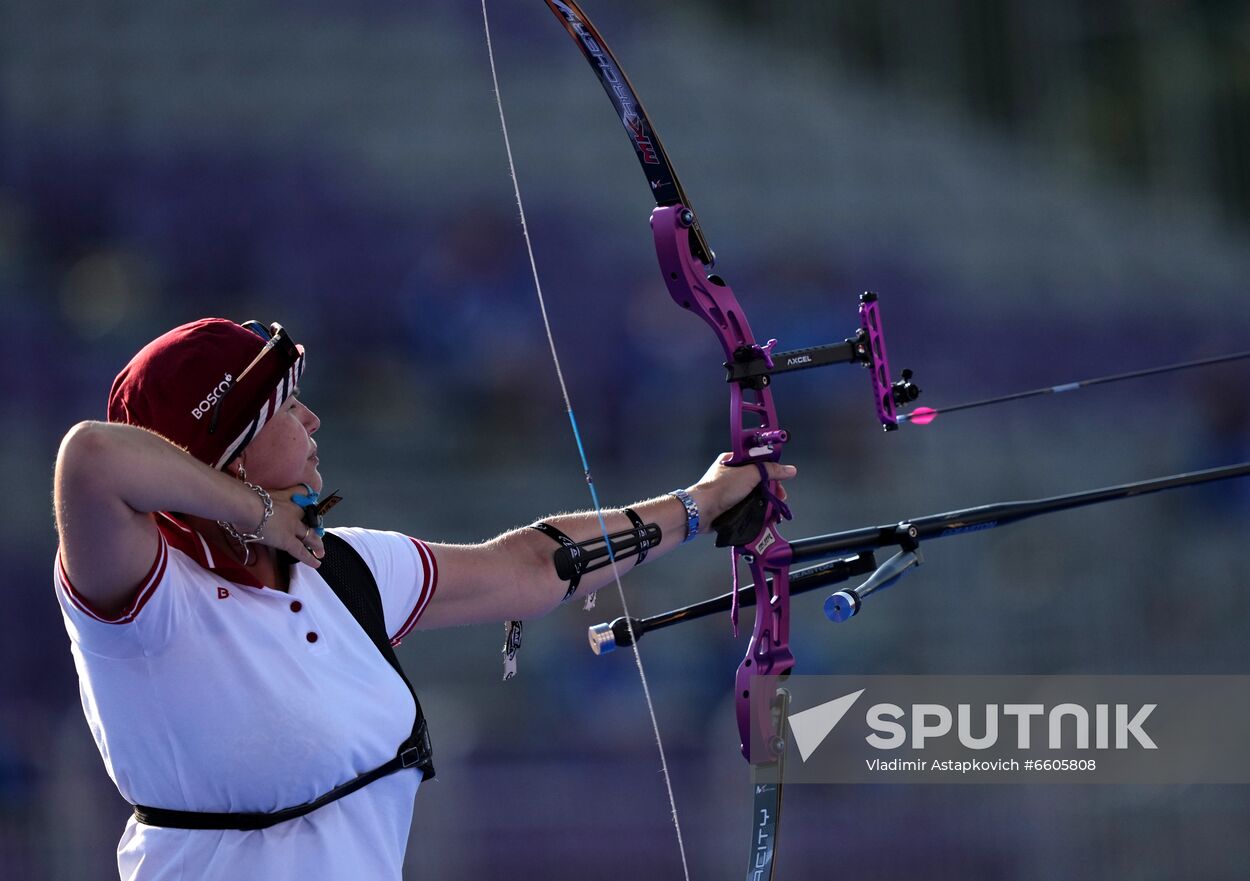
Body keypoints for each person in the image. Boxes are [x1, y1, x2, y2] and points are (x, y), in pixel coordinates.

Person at [52, 317, 794, 881]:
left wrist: (700, 503)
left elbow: (534, 567)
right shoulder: (147, 600)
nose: (311, 421)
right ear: (229, 447)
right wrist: (257, 510)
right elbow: (91, 457)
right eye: (285, 407)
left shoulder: (339, 568)